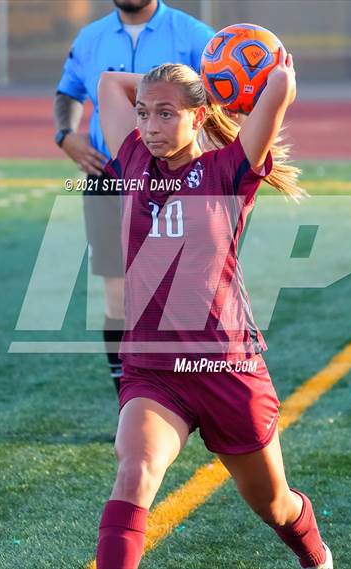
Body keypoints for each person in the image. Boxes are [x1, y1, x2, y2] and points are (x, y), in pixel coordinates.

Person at [95, 47, 333, 569]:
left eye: (166, 113)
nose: (150, 125)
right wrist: (172, 88)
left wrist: (220, 87)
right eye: (144, 112)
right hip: (155, 369)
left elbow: (277, 90)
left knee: (274, 505)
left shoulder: (227, 170)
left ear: (199, 116)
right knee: (134, 473)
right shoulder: (134, 157)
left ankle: (317, 557)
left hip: (226, 366)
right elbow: (113, 82)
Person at [53, 0, 214, 394]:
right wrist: (65, 135)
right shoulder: (91, 37)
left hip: (174, 182)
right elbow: (68, 91)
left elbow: (219, 99)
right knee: (118, 300)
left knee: (185, 295)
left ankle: (187, 397)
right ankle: (129, 402)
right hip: (107, 180)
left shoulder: (193, 35)